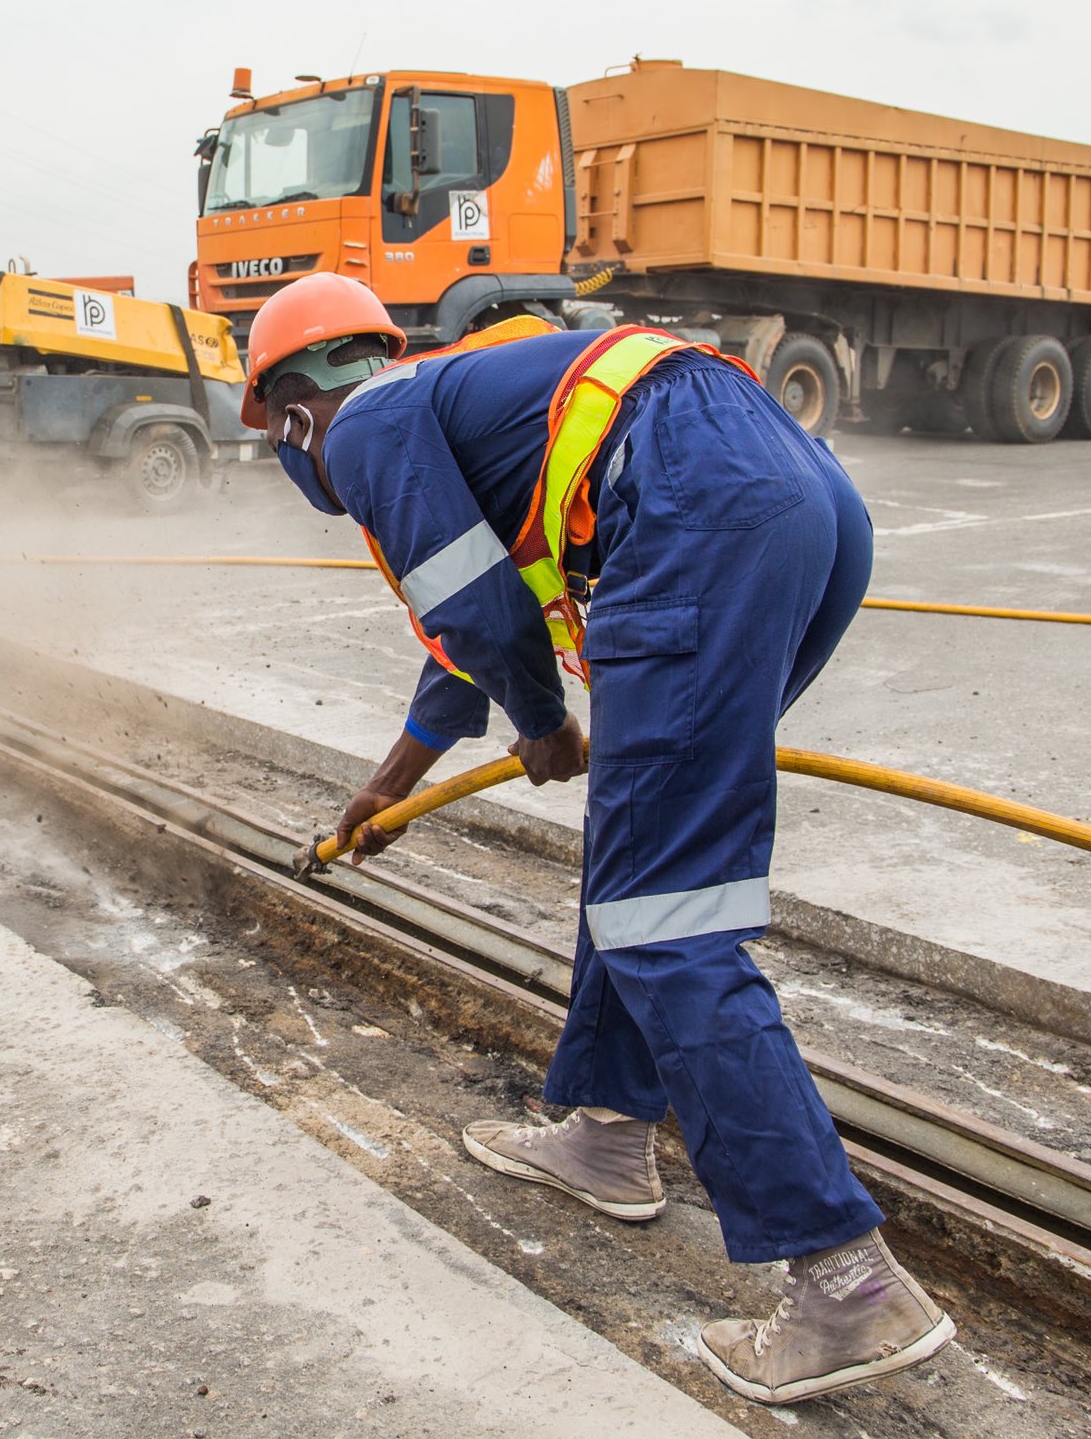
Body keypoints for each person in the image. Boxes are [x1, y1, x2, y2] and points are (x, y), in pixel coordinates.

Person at [240, 272, 954, 1407]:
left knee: (667, 919)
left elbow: (476, 605)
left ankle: (845, 1285)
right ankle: (607, 1135)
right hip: (796, 498)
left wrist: (541, 723)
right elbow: (464, 638)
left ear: (288, 411)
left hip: (695, 502)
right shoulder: (459, 396)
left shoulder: (366, 421)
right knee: (641, 860)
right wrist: (384, 786)